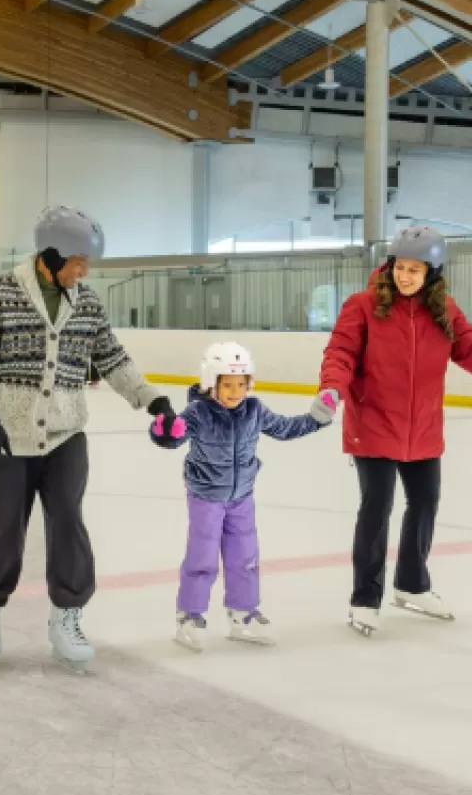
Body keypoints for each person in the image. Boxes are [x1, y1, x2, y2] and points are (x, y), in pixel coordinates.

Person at [0, 206, 178, 671]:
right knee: (0, 525)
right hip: (12, 436)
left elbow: (113, 359)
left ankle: (67, 617)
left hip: (66, 434)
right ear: (50, 254)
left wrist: (152, 399)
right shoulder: (0, 293)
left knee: (68, 525)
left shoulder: (88, 302)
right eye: (78, 260)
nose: (84, 270)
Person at [320, 225, 472, 637]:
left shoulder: (445, 312)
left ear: (433, 274)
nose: (405, 276)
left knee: (425, 503)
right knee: (377, 508)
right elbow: (340, 351)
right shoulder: (364, 306)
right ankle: (365, 598)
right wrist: (332, 390)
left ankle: (412, 584)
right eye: (400, 267)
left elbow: (468, 348)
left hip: (422, 428)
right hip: (373, 425)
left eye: (415, 270)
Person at [151, 342, 336, 651]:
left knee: (245, 557)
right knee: (203, 558)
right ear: (212, 382)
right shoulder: (199, 412)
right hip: (206, 497)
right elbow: (174, 437)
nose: (235, 391)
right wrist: (164, 431)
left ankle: (243, 614)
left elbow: (284, 428)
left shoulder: (254, 409)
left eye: (241, 384)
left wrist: (317, 419)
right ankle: (189, 616)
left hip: (242, 497)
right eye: (228, 385)